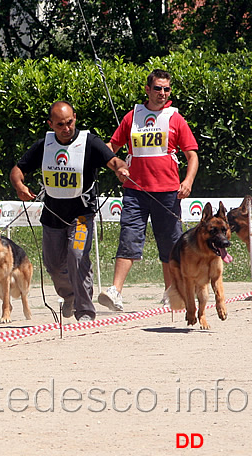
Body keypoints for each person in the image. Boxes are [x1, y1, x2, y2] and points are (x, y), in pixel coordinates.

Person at [10, 101, 129, 322]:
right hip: (53, 215)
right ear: (51, 125)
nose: (66, 128)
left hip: (82, 214)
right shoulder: (44, 145)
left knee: (77, 256)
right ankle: (70, 295)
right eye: (60, 125)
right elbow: (18, 169)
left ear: (75, 117)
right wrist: (20, 186)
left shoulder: (89, 142)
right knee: (53, 265)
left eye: (70, 122)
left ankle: (85, 310)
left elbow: (112, 160)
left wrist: (121, 169)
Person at [98, 69, 199, 312]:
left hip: (168, 192)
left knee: (171, 244)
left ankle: (171, 292)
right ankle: (115, 292)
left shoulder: (176, 119)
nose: (162, 93)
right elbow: (111, 146)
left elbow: (191, 154)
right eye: (157, 88)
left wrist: (188, 181)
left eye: (166, 89)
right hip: (135, 191)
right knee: (129, 238)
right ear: (147, 89)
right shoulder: (132, 117)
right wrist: (116, 166)